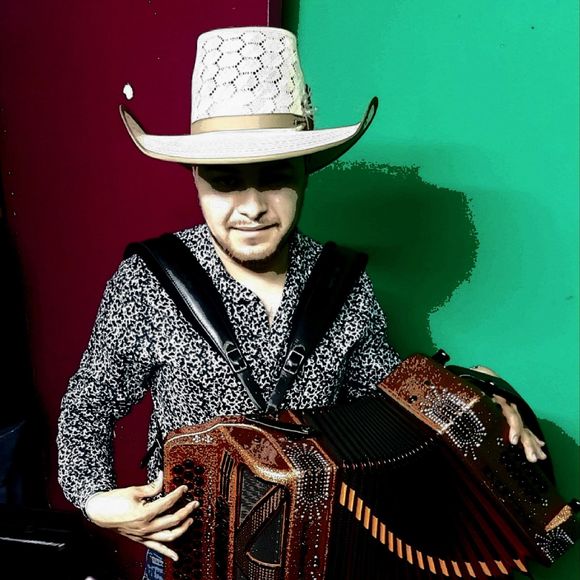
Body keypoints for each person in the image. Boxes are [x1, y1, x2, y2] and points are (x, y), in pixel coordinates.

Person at [56, 26, 547, 578]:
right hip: (192, 558)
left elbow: (387, 400)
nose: (252, 207)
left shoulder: (344, 282)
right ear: (195, 179)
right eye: (224, 182)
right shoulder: (148, 280)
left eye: (274, 179)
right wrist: (93, 499)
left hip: (323, 554)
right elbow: (89, 401)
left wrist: (476, 398)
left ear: (305, 176)